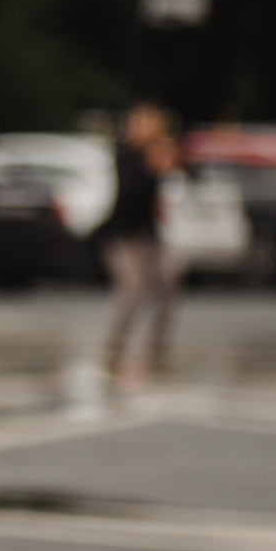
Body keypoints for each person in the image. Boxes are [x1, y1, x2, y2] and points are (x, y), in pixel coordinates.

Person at [96, 101, 181, 370]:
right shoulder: (125, 154)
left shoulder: (158, 152)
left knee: (169, 282)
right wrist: (151, 169)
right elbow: (130, 193)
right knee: (132, 288)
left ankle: (158, 348)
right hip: (121, 235)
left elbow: (188, 176)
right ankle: (114, 348)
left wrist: (170, 164)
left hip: (149, 236)